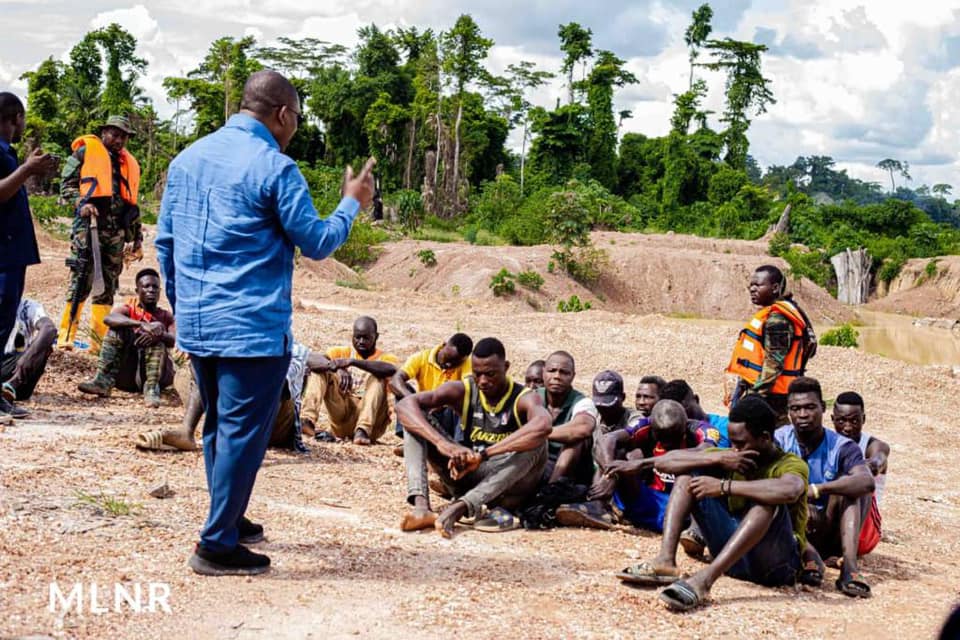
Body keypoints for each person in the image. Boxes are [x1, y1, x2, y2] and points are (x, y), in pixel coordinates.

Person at [156, 70, 376, 576]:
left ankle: (228, 518)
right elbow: (318, 242)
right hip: (251, 329)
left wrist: (185, 305)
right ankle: (215, 545)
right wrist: (352, 203)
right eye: (297, 117)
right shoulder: (275, 168)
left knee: (219, 428)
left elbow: (165, 244)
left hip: (200, 323)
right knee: (239, 435)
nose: (295, 127)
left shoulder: (185, 160)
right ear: (282, 114)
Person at [616, 396, 809, 613]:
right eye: (732, 442)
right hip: (734, 560)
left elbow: (789, 490)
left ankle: (704, 581)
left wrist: (724, 486)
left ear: (765, 437)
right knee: (687, 477)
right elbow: (669, 462)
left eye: (740, 443)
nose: (734, 449)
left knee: (766, 502)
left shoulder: (790, 464)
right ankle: (665, 560)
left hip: (775, 567)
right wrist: (716, 459)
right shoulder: (732, 456)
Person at [396, 337, 552, 537]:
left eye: (490, 374)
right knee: (416, 422)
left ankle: (461, 507)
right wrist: (443, 444)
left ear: (506, 367)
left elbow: (544, 425)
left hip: (508, 487)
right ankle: (421, 507)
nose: (483, 381)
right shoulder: (464, 389)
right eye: (477, 374)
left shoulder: (524, 397)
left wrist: (485, 454)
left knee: (538, 442)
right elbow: (404, 406)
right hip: (469, 476)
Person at [136, 342, 336, 454]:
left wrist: (335, 365)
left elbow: (276, 390)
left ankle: (249, 444)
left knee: (270, 379)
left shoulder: (288, 349)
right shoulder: (236, 345)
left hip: (277, 427)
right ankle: (187, 432)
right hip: (241, 413)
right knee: (205, 366)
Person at [775, 377, 875, 598]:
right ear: (788, 411)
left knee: (852, 489)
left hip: (830, 530)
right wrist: (802, 499)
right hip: (793, 527)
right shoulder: (779, 440)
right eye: (796, 409)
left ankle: (849, 568)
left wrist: (818, 490)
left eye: (810, 407)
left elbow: (866, 482)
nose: (802, 415)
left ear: (822, 408)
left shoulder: (842, 446)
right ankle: (808, 556)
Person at [57, 115, 143, 354]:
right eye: (114, 134)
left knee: (107, 285)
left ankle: (98, 342)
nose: (118, 140)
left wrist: (137, 238)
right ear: (104, 132)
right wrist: (81, 203)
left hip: (116, 234)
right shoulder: (85, 152)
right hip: (89, 228)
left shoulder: (128, 163)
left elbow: (132, 205)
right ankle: (65, 336)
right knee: (81, 279)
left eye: (123, 136)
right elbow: (66, 185)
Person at [0, 92, 58, 421]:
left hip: (11, 254)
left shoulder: (6, 154)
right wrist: (26, 169)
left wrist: (28, 167)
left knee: (5, 320)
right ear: (15, 118)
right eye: (22, 119)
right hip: (3, 254)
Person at [593, 400, 716, 532]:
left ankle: (694, 530)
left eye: (673, 438)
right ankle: (598, 508)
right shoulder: (646, 424)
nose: (668, 444)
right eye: (662, 438)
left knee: (702, 465)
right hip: (652, 499)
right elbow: (607, 439)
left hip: (685, 502)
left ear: (684, 426)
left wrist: (641, 464)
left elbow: (706, 451)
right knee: (624, 454)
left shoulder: (702, 430)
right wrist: (610, 473)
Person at [725, 264, 816, 424]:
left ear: (774, 288)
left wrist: (754, 396)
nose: (752, 289)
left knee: (768, 434)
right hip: (770, 392)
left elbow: (774, 363)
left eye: (758, 285)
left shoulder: (778, 320)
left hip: (771, 395)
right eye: (751, 285)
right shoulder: (780, 312)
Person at [553, 370, 640, 528]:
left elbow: (615, 444)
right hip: (592, 476)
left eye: (609, 404)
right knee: (578, 439)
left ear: (623, 398)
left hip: (622, 483)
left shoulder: (634, 419)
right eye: (599, 404)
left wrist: (611, 475)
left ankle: (600, 507)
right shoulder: (593, 416)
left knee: (623, 450)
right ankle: (551, 491)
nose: (604, 410)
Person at [77, 268, 175, 407]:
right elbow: (109, 319)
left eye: (155, 287)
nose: (151, 290)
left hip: (157, 375)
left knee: (157, 333)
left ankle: (152, 390)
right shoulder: (128, 308)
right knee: (115, 331)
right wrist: (141, 325)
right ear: (137, 291)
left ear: (160, 291)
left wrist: (158, 334)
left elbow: (176, 340)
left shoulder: (166, 316)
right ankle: (102, 381)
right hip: (127, 374)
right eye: (146, 286)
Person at [300, 316, 398, 445]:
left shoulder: (385, 358)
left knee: (378, 377)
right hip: (342, 419)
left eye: (366, 338)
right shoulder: (341, 352)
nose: (361, 341)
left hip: (371, 425)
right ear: (352, 336)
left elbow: (391, 370)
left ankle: (362, 430)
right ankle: (307, 420)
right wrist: (334, 368)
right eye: (357, 337)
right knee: (321, 371)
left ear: (376, 337)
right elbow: (311, 359)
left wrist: (353, 362)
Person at [390, 332, 473, 447]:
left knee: (464, 396)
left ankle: (459, 445)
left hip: (447, 414)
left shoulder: (467, 364)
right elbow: (395, 380)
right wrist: (412, 401)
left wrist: (441, 403)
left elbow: (470, 389)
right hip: (422, 412)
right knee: (403, 389)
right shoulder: (421, 357)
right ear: (444, 345)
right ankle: (410, 440)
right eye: (447, 358)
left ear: (464, 359)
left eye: (455, 362)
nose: (449, 364)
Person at [832, 391, 887, 557]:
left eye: (854, 421)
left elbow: (878, 459)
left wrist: (871, 465)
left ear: (864, 419)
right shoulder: (827, 441)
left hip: (865, 529)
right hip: (833, 517)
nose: (847, 427)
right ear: (833, 419)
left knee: (855, 482)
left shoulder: (874, 445)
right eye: (841, 421)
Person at [538, 351, 598, 485]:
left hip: (572, 471)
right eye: (552, 371)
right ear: (543, 373)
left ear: (573, 376)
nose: (557, 376)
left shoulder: (582, 402)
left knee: (578, 438)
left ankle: (550, 490)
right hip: (538, 463)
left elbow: (583, 428)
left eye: (564, 372)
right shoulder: (533, 397)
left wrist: (536, 433)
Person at [2, 298, 57, 406]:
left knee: (45, 346)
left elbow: (49, 329)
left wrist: (28, 357)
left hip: (18, 373)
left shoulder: (28, 306)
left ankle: (10, 386)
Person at [659, 379, 730, 448]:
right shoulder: (672, 439)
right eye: (675, 415)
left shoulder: (727, 427)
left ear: (696, 399)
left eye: (686, 410)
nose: (685, 418)